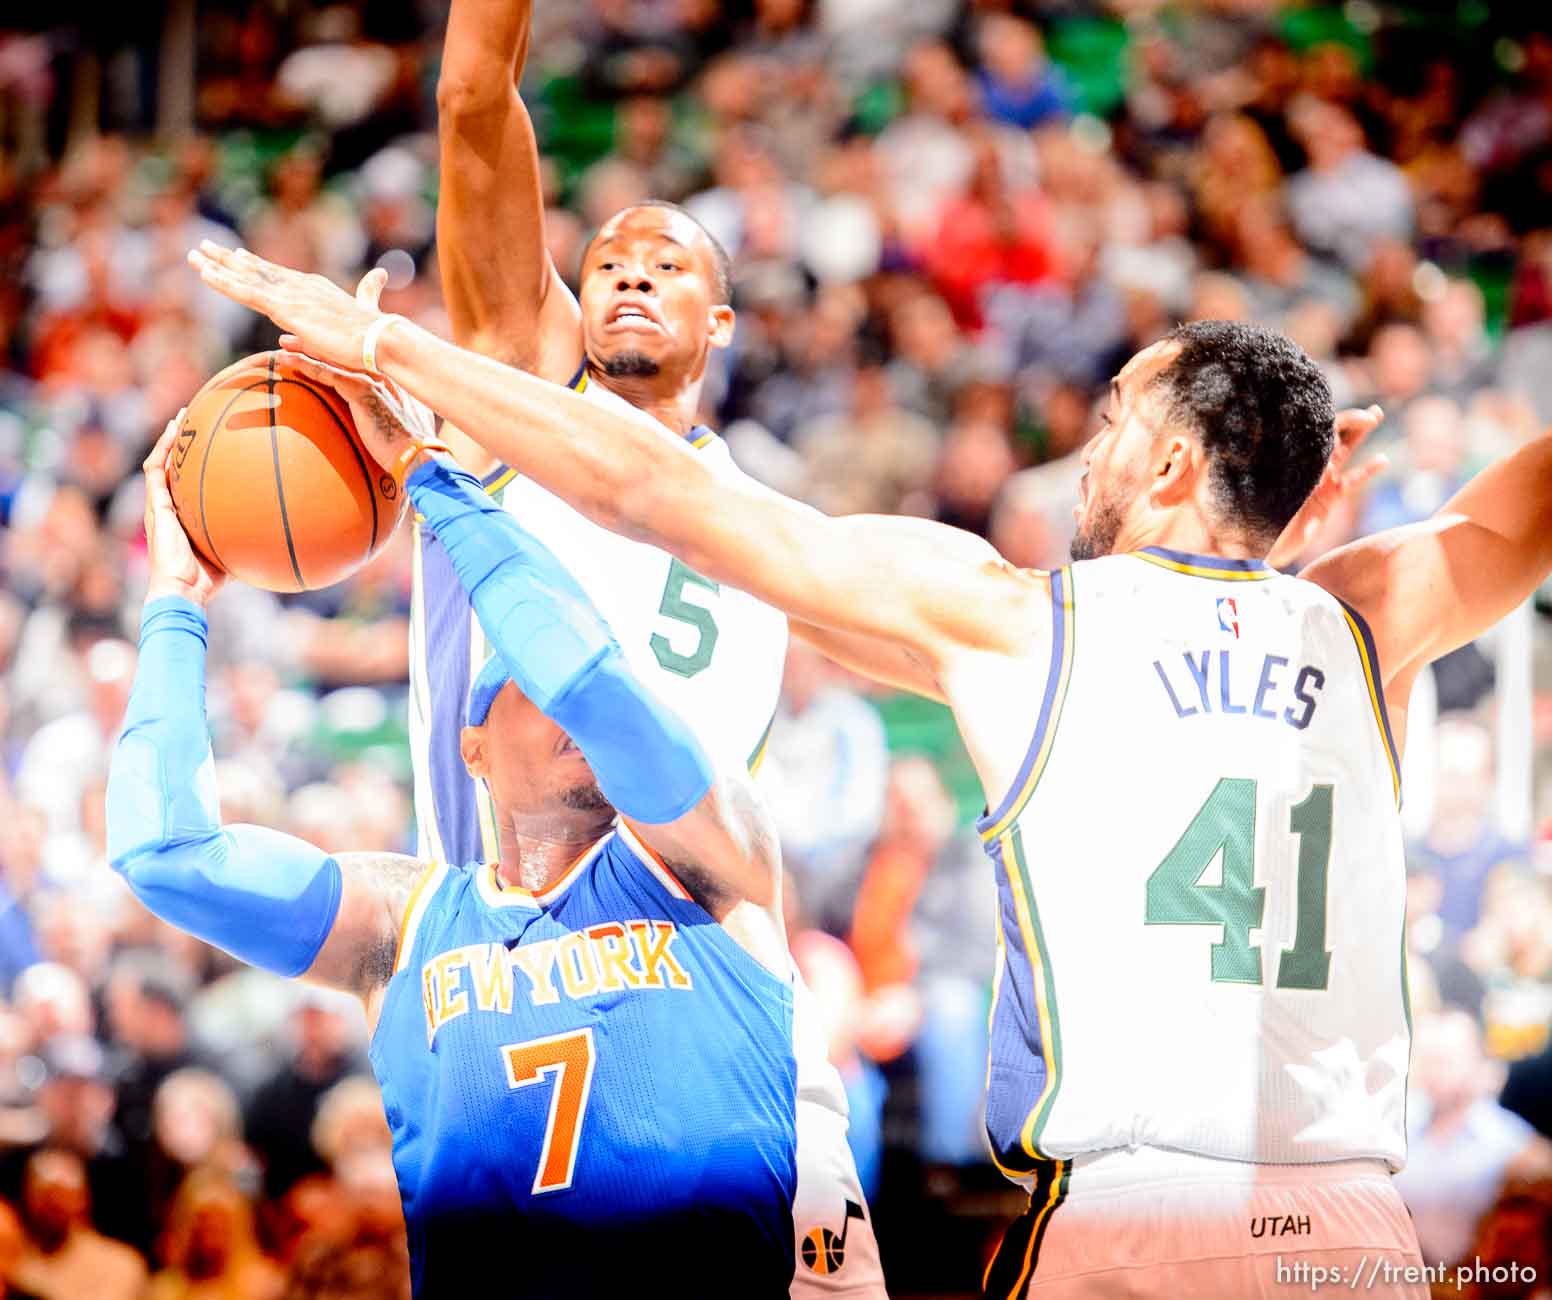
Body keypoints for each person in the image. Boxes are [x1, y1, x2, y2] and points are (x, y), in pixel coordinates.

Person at [192, 242, 1552, 1292]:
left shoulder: (1020, 620)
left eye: (1123, 414)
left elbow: (663, 494)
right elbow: (1521, 508)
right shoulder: (1366, 617)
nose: (1092, 437)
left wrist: (388, 349)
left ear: (1184, 460)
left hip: (1141, 1225)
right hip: (1355, 1235)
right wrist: (1295, 480)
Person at [105, 418, 867, 1297]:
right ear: (471, 747)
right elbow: (163, 853)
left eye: (569, 679)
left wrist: (425, 472)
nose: (566, 702)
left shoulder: (712, 857)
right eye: (529, 690)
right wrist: (175, 605)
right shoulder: (404, 921)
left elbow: (590, 676)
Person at [426, 5, 881, 1292]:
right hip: (536, 960)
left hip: (718, 956)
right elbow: (472, 99)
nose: (626, 270)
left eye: (667, 264)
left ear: (723, 323)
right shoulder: (525, 408)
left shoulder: (771, 521)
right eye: (609, 257)